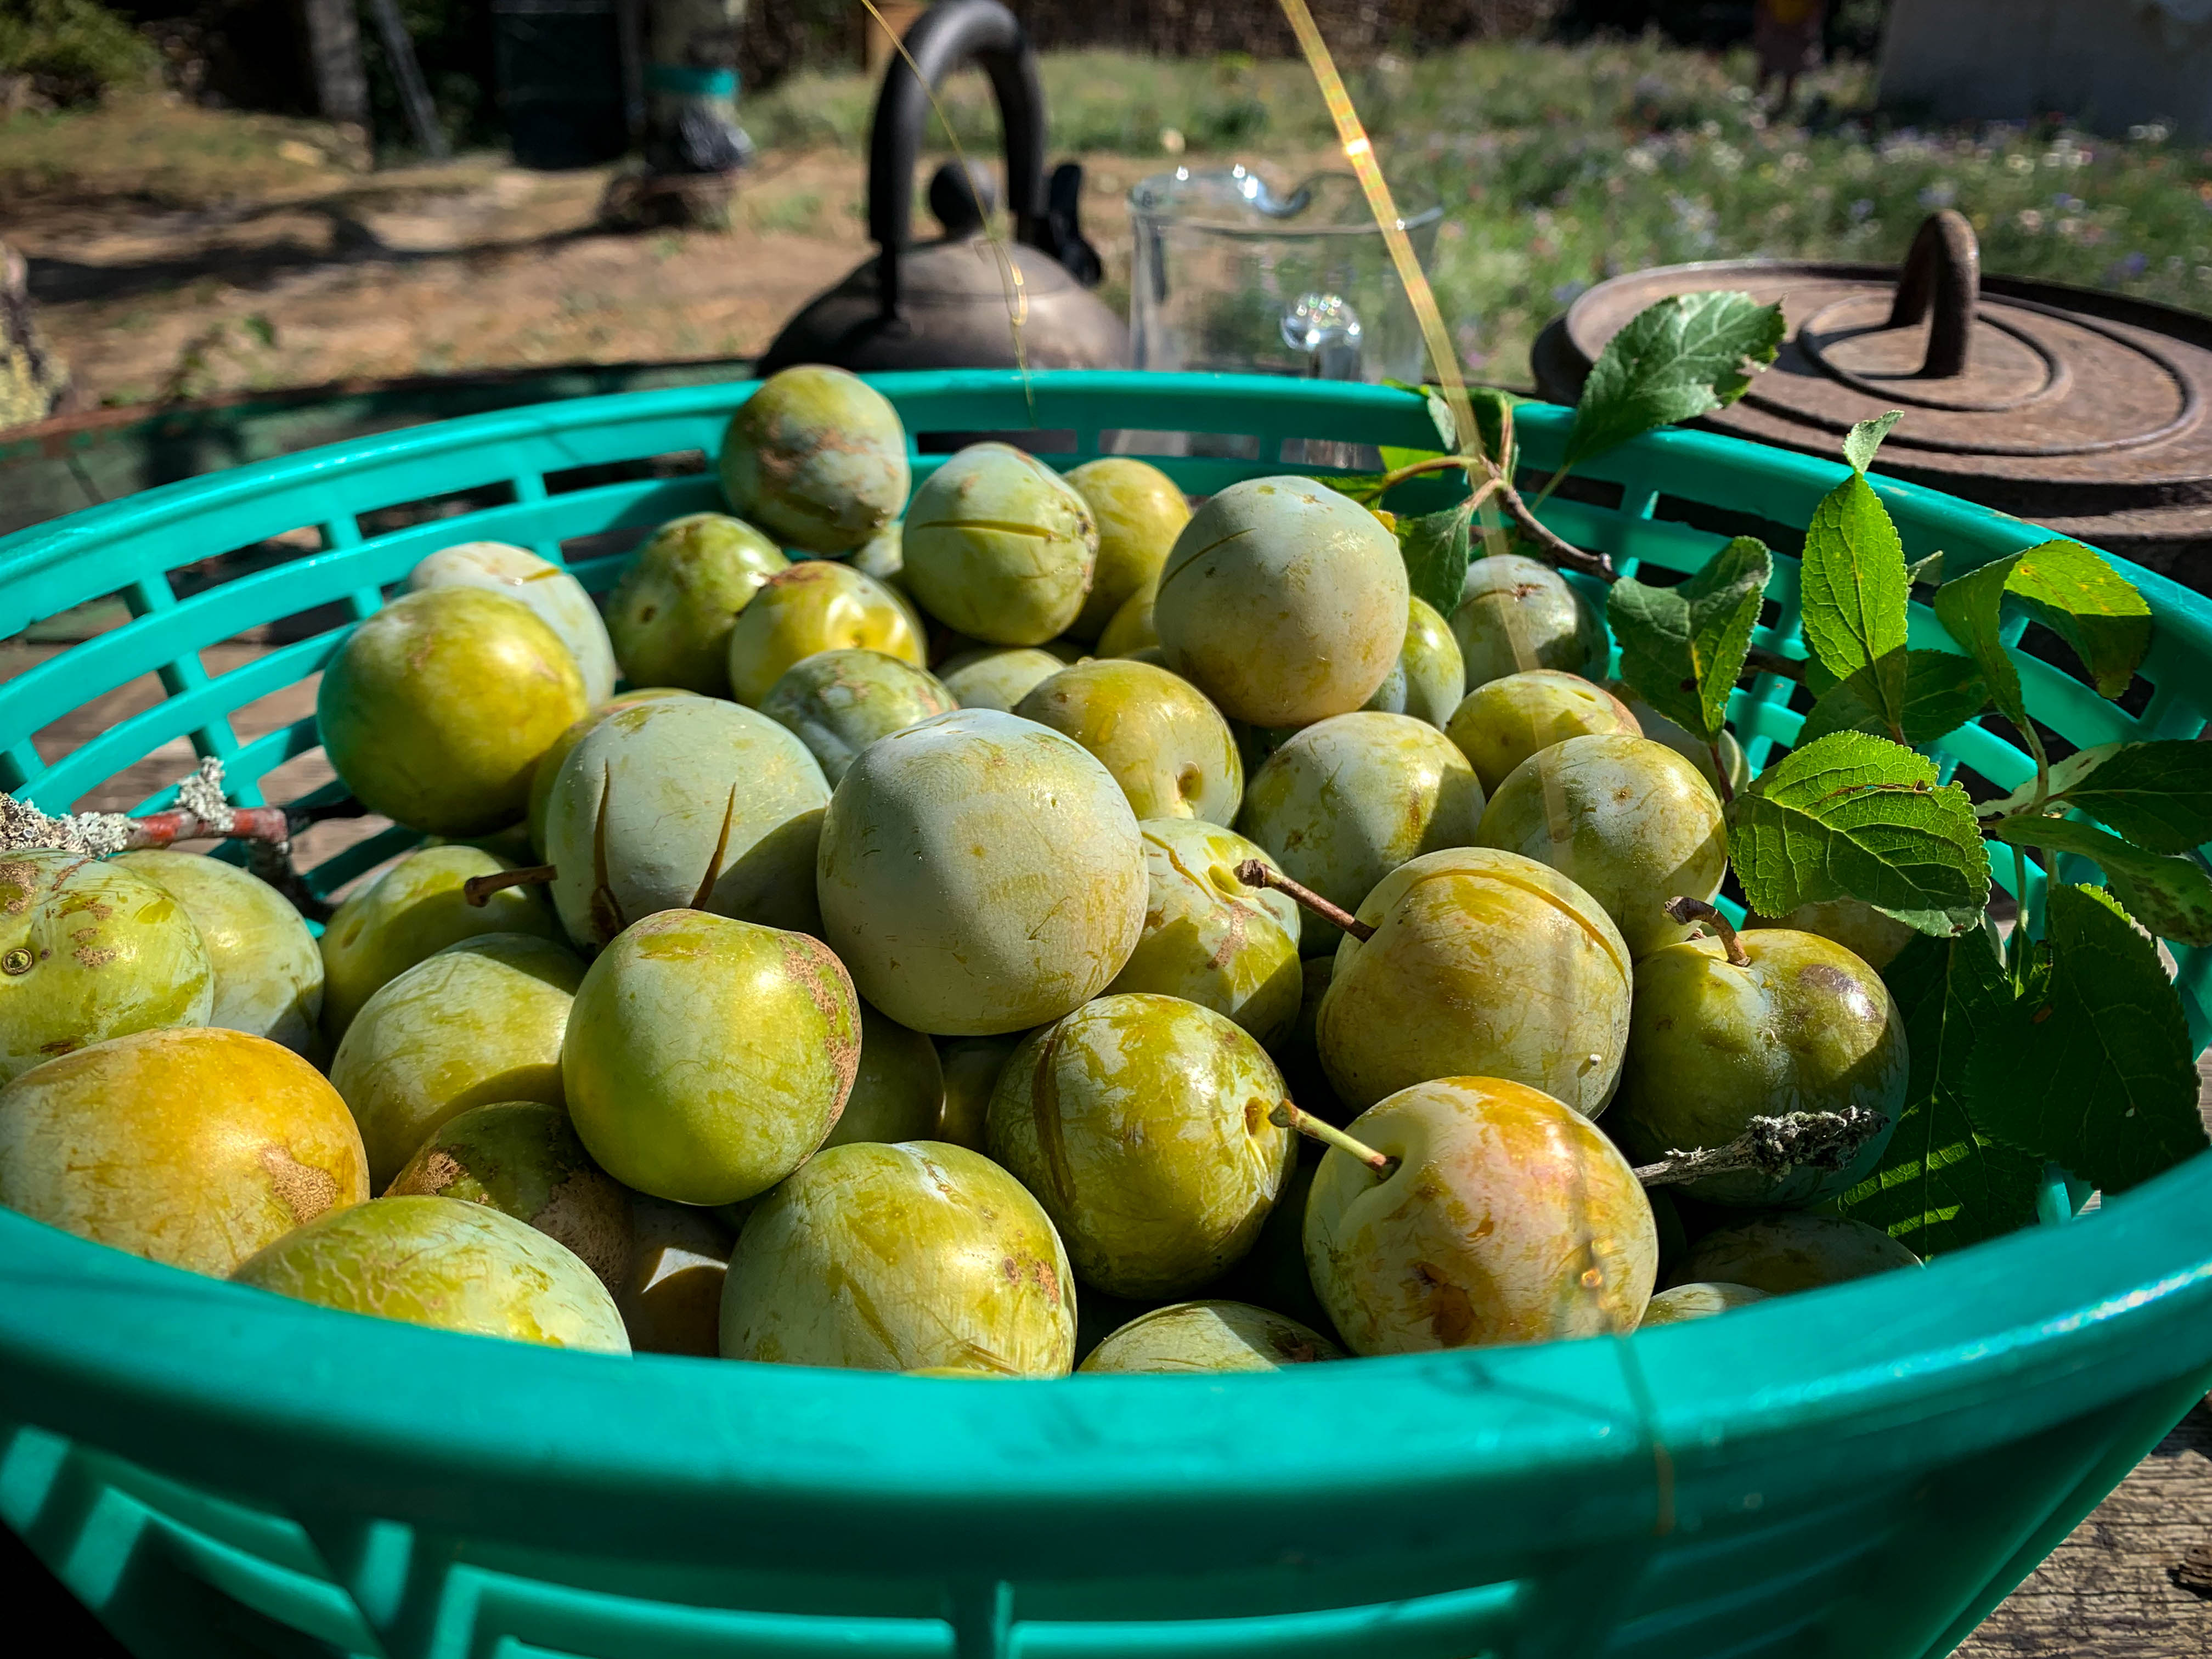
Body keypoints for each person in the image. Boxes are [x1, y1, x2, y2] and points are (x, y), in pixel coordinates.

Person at [1753, 0, 1827, 113]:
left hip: (1799, 27)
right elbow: (1763, 6)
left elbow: (1818, 6)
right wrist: (1764, 25)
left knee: (1792, 68)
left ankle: (1785, 105)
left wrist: (1811, 26)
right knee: (1767, 63)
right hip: (1774, 24)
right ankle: (1758, 98)